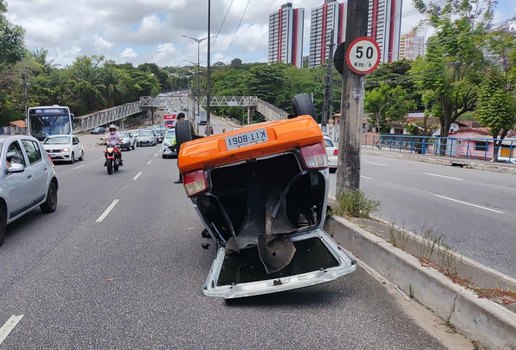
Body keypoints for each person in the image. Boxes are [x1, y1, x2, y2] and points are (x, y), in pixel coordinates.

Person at [174, 113, 195, 184]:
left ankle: (181, 178)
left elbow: (177, 138)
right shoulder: (189, 124)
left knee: (180, 163)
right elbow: (193, 134)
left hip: (181, 148)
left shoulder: (178, 125)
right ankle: (191, 177)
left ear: (179, 118)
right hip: (189, 147)